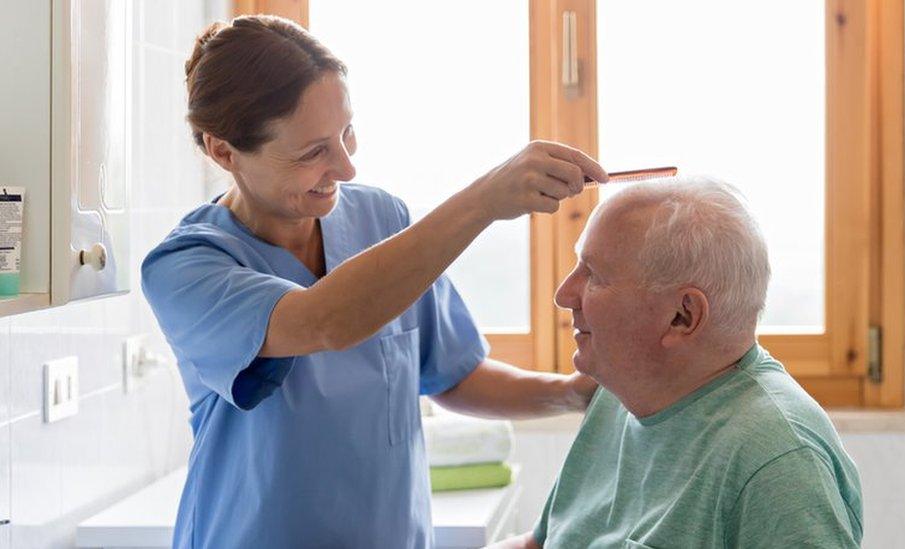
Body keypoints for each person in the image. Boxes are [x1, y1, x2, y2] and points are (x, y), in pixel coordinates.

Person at [141, 15, 607, 548]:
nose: (345, 167)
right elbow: (325, 321)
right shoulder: (187, 267)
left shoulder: (381, 221)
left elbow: (451, 374)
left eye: (347, 133)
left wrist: (573, 395)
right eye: (313, 151)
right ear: (224, 151)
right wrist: (484, 201)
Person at [493, 176, 863, 548]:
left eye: (594, 276)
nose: (564, 295)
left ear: (682, 316)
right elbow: (544, 543)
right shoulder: (620, 392)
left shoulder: (778, 462)